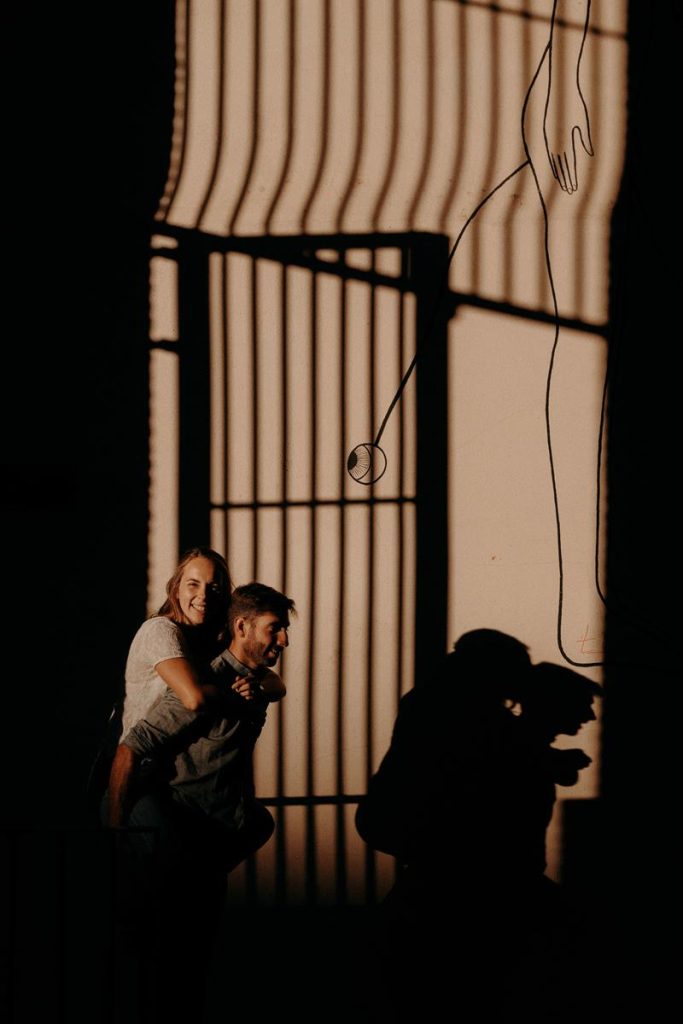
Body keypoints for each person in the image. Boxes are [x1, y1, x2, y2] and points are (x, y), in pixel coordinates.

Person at [104, 578, 295, 1022]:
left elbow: (272, 684)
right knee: (168, 959)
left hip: (213, 834)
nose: (284, 639)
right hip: (180, 833)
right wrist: (114, 833)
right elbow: (132, 746)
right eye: (274, 628)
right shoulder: (208, 682)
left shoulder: (256, 682)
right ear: (243, 627)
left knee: (197, 962)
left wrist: (267, 686)